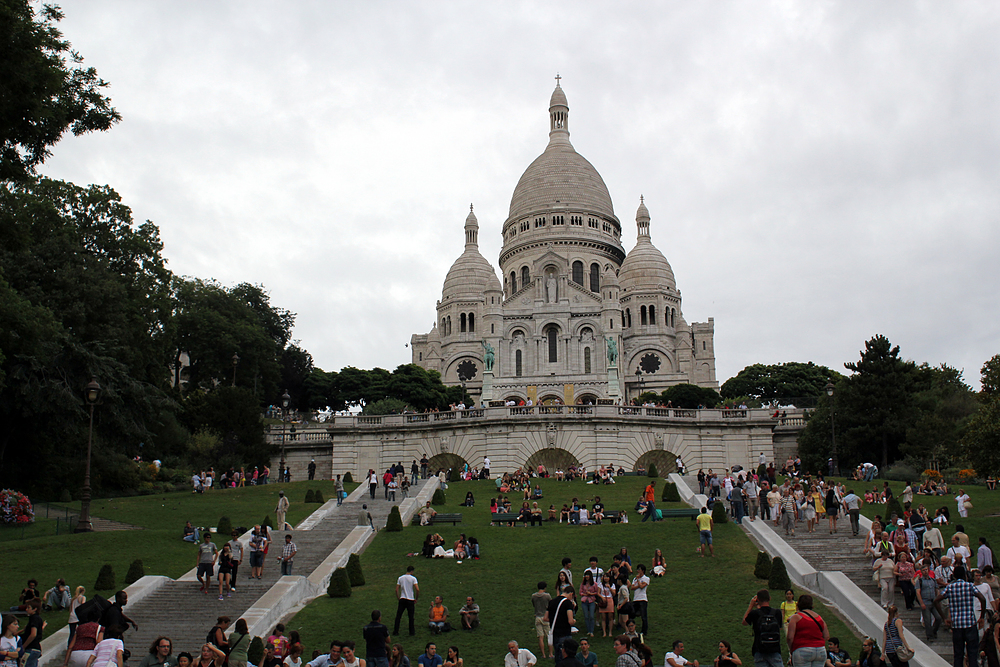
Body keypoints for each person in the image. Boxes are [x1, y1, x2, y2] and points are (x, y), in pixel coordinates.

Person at [934, 567, 988, 667]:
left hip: (956, 625)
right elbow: (982, 599)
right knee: (972, 654)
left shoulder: (950, 587)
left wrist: (944, 618)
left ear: (954, 575)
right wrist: (981, 617)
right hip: (970, 623)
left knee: (958, 654)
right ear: (965, 575)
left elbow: (936, 601)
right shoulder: (969, 586)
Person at [742, 589, 783, 667]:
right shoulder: (777, 612)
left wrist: (751, 606)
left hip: (759, 649)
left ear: (758, 600)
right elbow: (780, 628)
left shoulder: (755, 613)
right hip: (774, 649)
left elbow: (744, 622)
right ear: (769, 598)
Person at [786, 595, 829, 667]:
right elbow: (827, 636)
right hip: (820, 650)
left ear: (798, 604)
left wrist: (791, 649)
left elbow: (790, 637)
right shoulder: (819, 617)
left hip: (802, 649)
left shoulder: (796, 617)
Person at [546, 585, 578, 661]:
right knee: (566, 657)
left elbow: (545, 618)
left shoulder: (552, 602)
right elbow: (570, 621)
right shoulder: (567, 603)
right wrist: (574, 621)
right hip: (564, 633)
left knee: (558, 656)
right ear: (571, 594)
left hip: (554, 633)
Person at [913, 560, 941, 641]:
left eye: (926, 570)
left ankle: (934, 631)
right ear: (921, 572)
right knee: (927, 620)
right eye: (923, 570)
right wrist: (921, 603)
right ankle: (930, 636)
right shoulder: (920, 581)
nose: (925, 572)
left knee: (938, 618)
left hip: (933, 601)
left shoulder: (933, 580)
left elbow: (936, 589)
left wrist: (937, 598)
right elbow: (918, 592)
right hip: (925, 601)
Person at [394, 565, 419, 636]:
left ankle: (396, 631)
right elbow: (417, 589)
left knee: (398, 616)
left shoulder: (400, 578)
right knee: (411, 617)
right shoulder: (413, 578)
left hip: (402, 598)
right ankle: (411, 632)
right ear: (412, 571)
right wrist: (416, 598)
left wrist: (398, 598)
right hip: (410, 599)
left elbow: (396, 589)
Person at [533, 582, 553, 658]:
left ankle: (543, 654)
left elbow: (533, 604)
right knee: (549, 636)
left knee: (541, 637)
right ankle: (550, 654)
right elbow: (551, 604)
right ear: (545, 588)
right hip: (546, 617)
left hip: (537, 617)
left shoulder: (534, 596)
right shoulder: (547, 596)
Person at [629, 565, 649, 635]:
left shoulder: (646, 578)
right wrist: (638, 584)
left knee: (644, 616)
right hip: (636, 599)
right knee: (632, 614)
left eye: (639, 569)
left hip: (642, 599)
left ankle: (644, 631)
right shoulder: (634, 579)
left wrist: (638, 581)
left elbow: (641, 586)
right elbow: (632, 588)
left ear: (642, 570)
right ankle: (630, 628)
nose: (638, 571)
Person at [580, 572, 599, 637]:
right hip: (584, 600)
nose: (587, 576)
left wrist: (591, 594)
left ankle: (591, 631)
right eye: (586, 575)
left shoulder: (594, 584)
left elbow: (597, 592)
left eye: (588, 575)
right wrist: (585, 594)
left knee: (591, 616)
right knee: (586, 616)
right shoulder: (583, 584)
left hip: (592, 601)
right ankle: (588, 630)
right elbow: (580, 592)